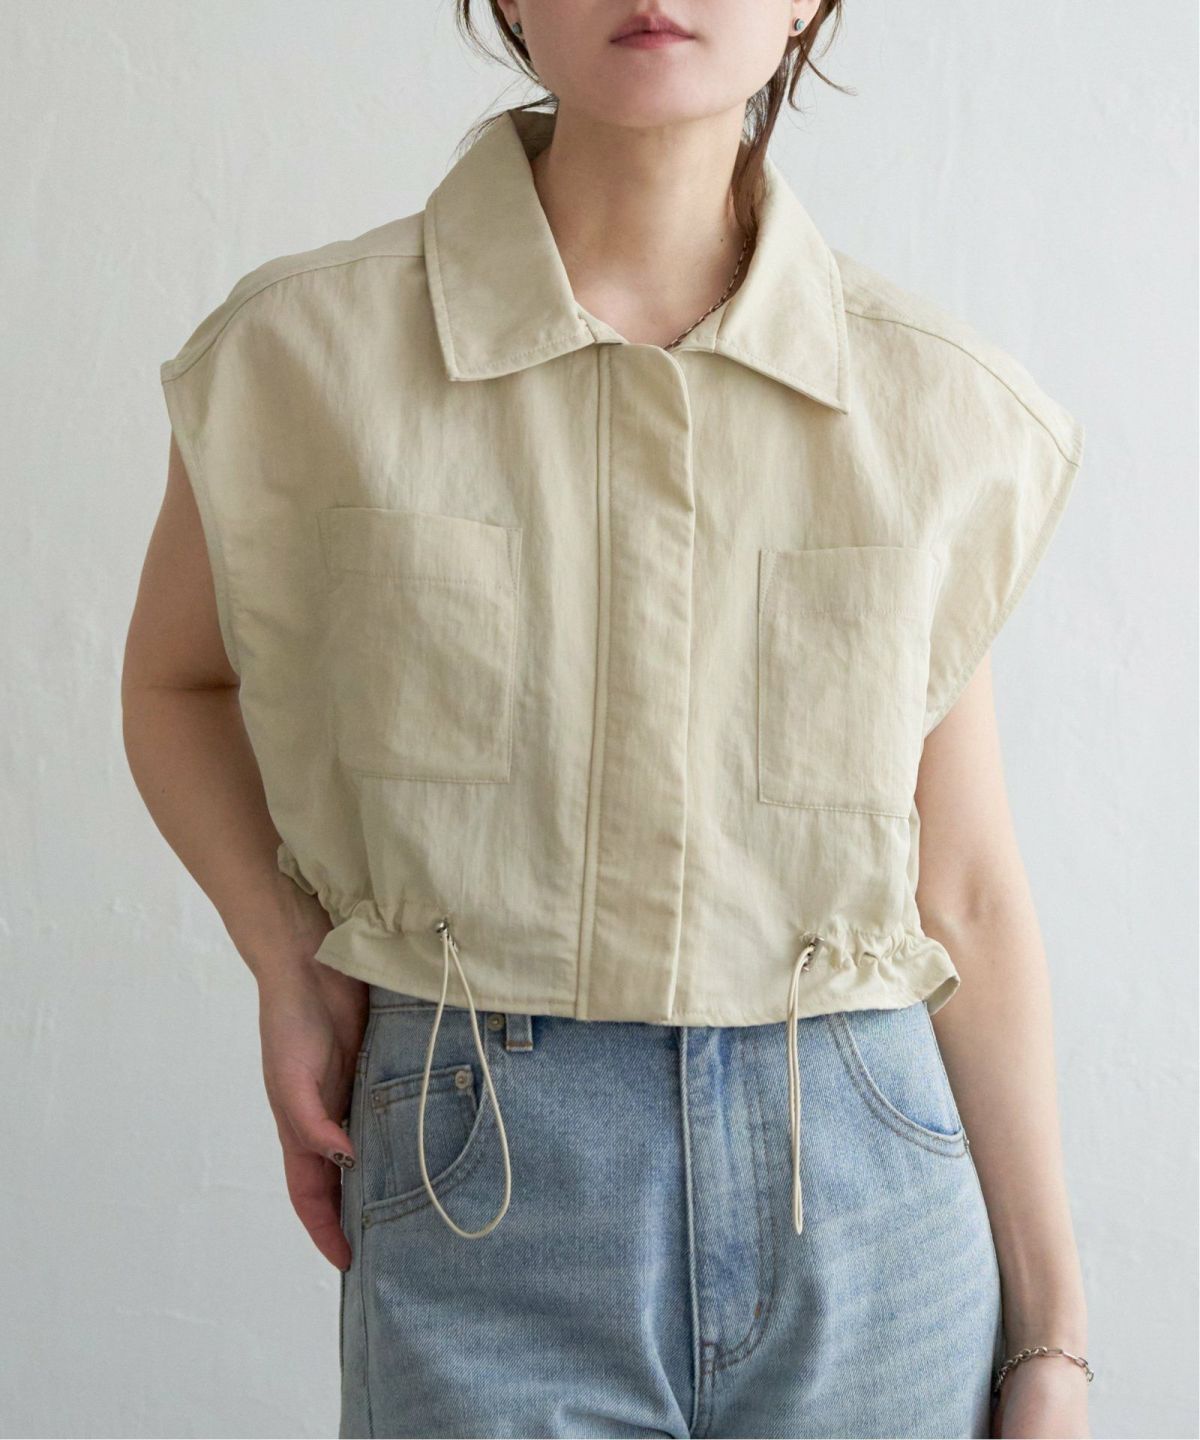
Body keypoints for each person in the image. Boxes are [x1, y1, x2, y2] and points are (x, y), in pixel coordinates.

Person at [123, 2, 1094, 1436]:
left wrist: (1053, 1343)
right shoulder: (298, 358)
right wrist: (283, 951)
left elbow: (963, 888)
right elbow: (174, 686)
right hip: (480, 1179)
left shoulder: (934, 408)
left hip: (871, 1191)